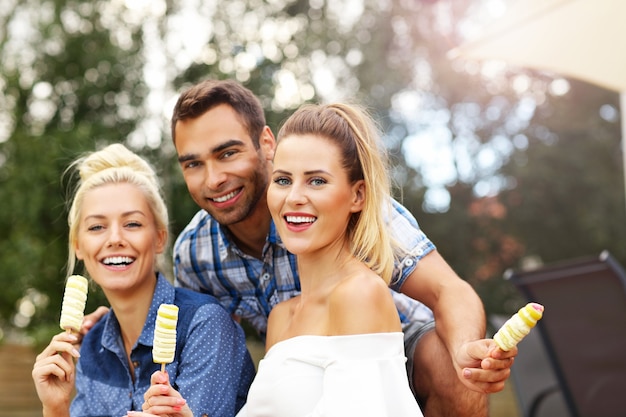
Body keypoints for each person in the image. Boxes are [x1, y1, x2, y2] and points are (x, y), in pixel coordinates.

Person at [165, 79, 515, 417]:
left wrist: (464, 352)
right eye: (193, 163)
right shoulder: (195, 255)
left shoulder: (360, 217)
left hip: (392, 338)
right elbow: (199, 348)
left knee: (450, 368)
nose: (213, 179)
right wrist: (113, 326)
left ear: (265, 144)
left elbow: (448, 289)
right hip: (295, 353)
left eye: (228, 153)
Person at [32, 143, 255, 417]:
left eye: (132, 224)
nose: (114, 239)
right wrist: (55, 407)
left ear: (159, 238)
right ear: (78, 245)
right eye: (97, 227)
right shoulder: (90, 345)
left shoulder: (205, 325)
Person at [235, 102, 425, 416]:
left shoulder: (360, 294)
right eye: (283, 180)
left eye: (317, 181)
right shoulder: (282, 317)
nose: (294, 197)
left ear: (357, 196)